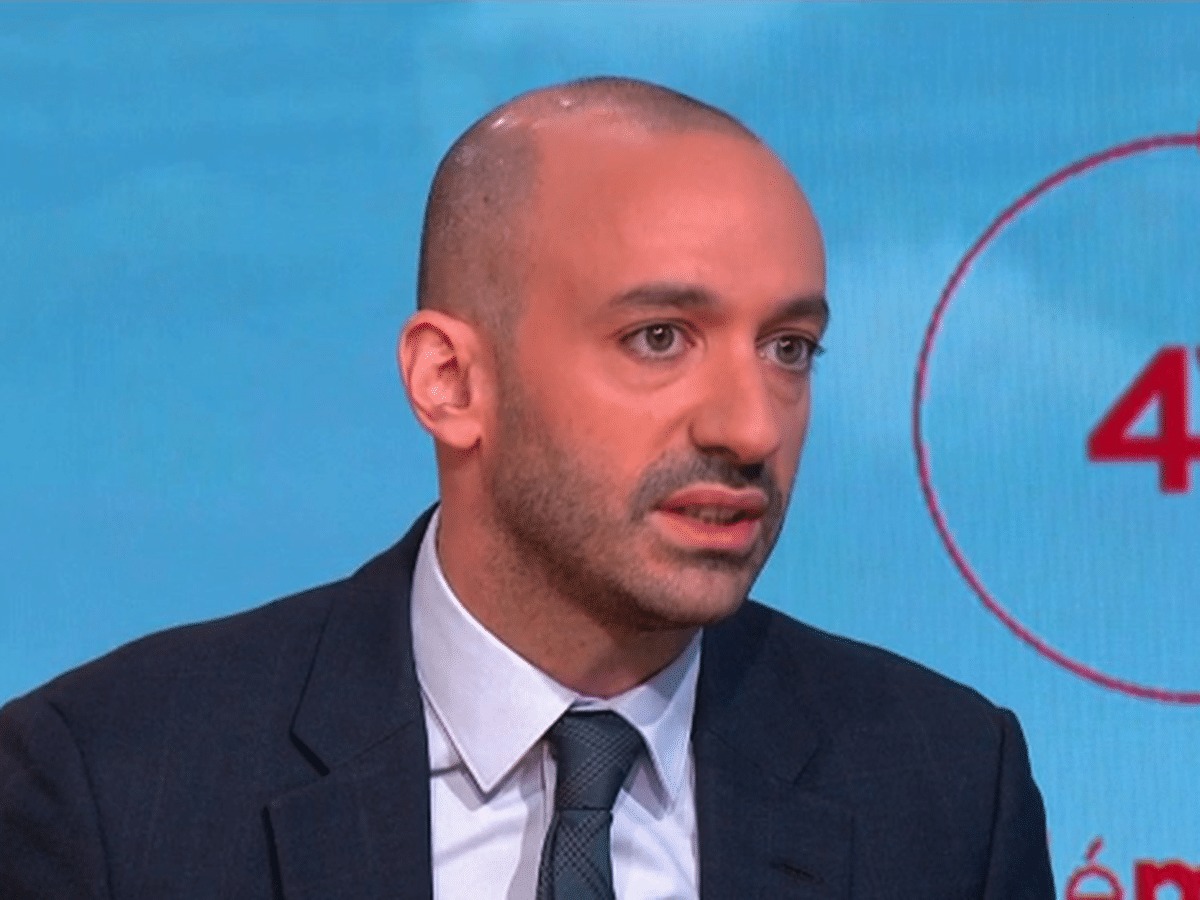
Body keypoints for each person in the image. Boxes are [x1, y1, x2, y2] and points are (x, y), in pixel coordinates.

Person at [0, 76, 1055, 899]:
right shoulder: (113, 788)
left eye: (789, 348)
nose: (749, 427)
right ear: (451, 381)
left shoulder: (946, 789)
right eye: (659, 338)